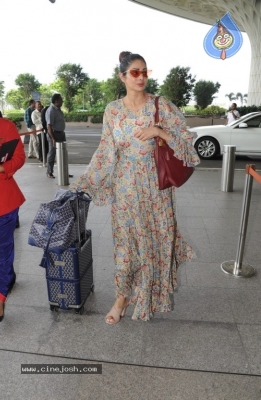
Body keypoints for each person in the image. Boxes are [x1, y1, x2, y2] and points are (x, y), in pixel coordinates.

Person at [69, 51, 200, 323]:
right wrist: (85, 181)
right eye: (135, 72)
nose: (141, 77)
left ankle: (149, 293)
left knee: (154, 241)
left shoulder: (161, 105)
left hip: (156, 188)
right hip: (125, 187)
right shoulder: (113, 110)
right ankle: (122, 297)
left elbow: (188, 144)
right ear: (123, 76)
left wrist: (160, 132)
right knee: (126, 245)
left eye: (145, 71)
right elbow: (106, 150)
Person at [0, 117, 26, 323]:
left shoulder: (5, 126)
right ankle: (7, 277)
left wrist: (2, 169)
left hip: (2, 203)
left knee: (1, 250)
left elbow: (19, 157)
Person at [45, 94, 73, 179]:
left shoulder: (58, 110)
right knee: (52, 153)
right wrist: (53, 139)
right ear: (56, 101)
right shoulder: (51, 110)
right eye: (61, 100)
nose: (62, 101)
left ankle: (64, 172)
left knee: (63, 153)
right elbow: (49, 126)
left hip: (61, 133)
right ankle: (49, 172)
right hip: (54, 134)